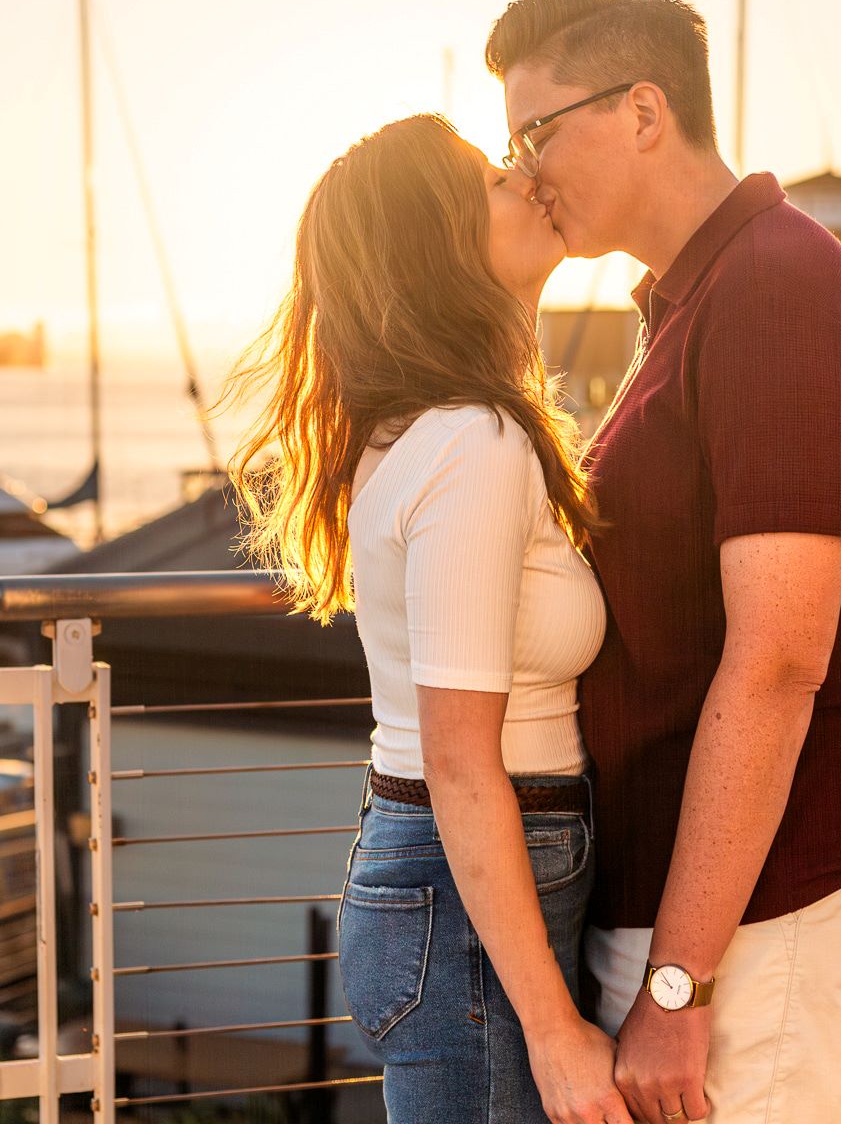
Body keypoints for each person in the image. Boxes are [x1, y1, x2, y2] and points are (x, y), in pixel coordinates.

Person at [485, 0, 841, 1123]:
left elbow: (781, 658)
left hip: (776, 902)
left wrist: (681, 983)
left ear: (644, 111)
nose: (526, 167)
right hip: (721, 903)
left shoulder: (773, 297)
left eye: (536, 131)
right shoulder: (701, 301)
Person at [224, 114, 631, 1124]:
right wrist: (554, 1031)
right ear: (441, 246)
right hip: (469, 890)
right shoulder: (468, 443)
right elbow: (458, 760)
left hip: (462, 881)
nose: (527, 182)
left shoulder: (431, 431)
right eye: (495, 179)